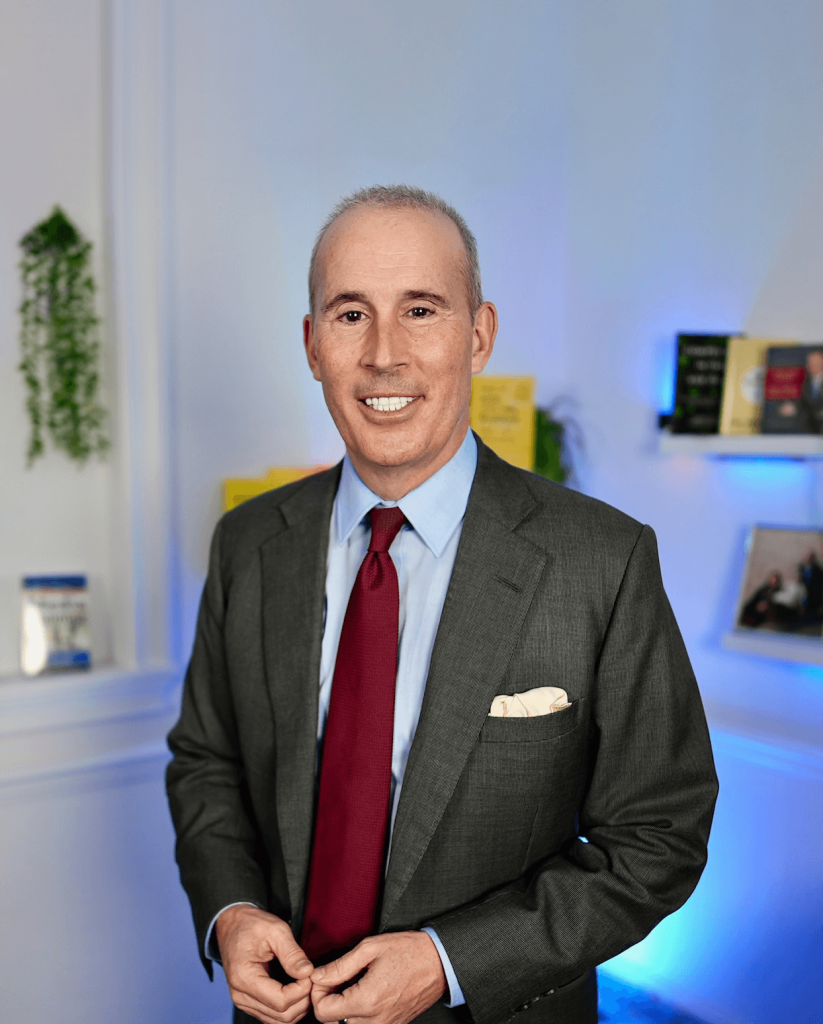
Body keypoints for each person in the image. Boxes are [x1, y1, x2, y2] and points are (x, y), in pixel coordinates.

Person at [166, 185, 718, 1024]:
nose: (383, 354)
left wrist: (448, 961)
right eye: (351, 315)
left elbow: (657, 835)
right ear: (312, 345)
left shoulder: (601, 560)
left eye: (420, 310)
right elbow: (206, 761)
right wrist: (230, 911)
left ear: (478, 334)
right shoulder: (248, 543)